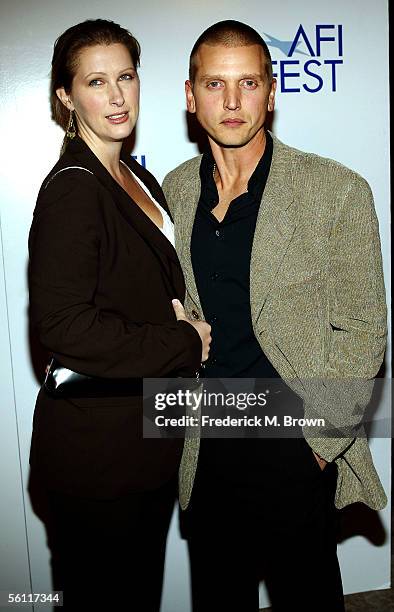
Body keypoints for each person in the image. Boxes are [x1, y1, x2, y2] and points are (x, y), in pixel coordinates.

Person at [162, 19, 387, 612]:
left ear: (272, 89)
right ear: (191, 96)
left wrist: (319, 442)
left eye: (248, 83)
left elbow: (365, 327)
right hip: (207, 441)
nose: (232, 102)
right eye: (214, 84)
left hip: (294, 443)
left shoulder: (336, 190)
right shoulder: (175, 189)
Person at [28, 18, 211, 611]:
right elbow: (63, 326)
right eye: (96, 81)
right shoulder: (73, 189)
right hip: (96, 462)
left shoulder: (136, 176)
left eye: (125, 77)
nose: (115, 96)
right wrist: (181, 342)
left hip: (143, 442)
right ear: (67, 96)